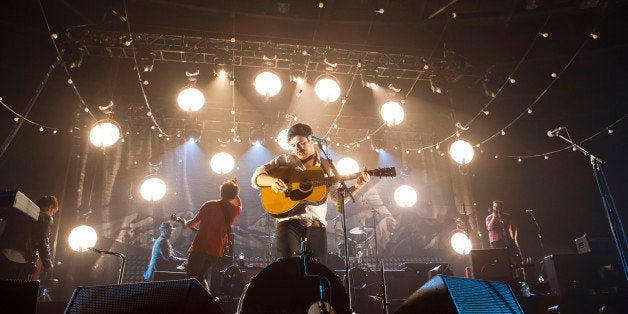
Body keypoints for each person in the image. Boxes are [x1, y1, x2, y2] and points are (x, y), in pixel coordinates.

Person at [251, 123, 370, 265]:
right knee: (288, 270)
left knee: (316, 274)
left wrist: (358, 185)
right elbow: (257, 177)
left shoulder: (326, 167)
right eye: (294, 145)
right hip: (288, 224)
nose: (298, 149)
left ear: (312, 141)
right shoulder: (284, 161)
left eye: (301, 144)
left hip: (316, 226)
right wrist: (271, 181)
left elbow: (338, 200)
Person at [183, 179, 242, 290]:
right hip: (215, 252)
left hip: (200, 248)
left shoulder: (209, 205)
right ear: (234, 195)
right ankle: (206, 302)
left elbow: (193, 223)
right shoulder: (235, 211)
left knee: (191, 279)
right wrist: (235, 190)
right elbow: (239, 204)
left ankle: (192, 303)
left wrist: (186, 224)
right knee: (202, 277)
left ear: (221, 192)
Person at [0, 195, 59, 280]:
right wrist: (48, 264)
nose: (52, 215)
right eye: (53, 212)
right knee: (13, 289)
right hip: (19, 259)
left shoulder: (22, 211)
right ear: (50, 208)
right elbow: (43, 242)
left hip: (3, 253)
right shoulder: (45, 218)